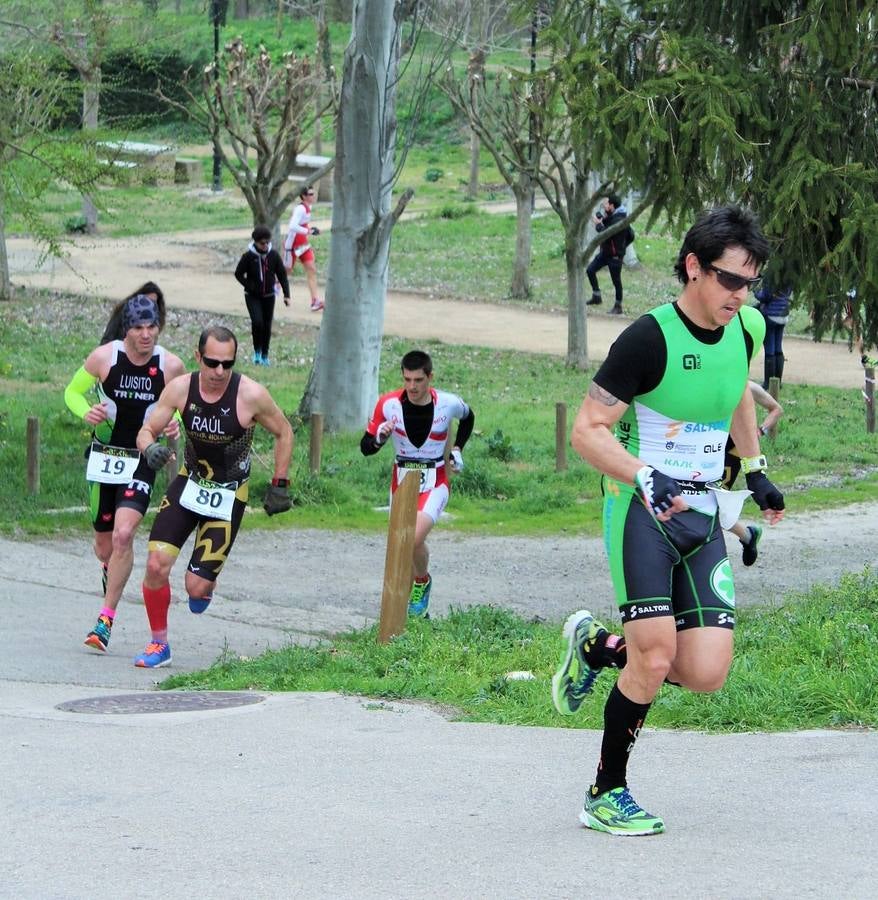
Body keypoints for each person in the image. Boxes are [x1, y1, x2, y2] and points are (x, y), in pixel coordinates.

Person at [552, 205, 785, 836]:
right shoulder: (648, 339)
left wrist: (755, 465)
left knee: (706, 671)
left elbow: (736, 387)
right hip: (641, 512)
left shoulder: (747, 330)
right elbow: (586, 431)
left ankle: (599, 647)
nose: (741, 294)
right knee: (655, 658)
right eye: (730, 280)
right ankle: (606, 792)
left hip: (704, 513)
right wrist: (641, 474)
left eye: (750, 282)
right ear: (693, 267)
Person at [132, 325, 294, 668]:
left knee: (195, 588)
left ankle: (205, 583)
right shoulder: (180, 389)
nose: (219, 371)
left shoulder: (251, 394)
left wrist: (280, 482)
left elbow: (284, 431)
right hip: (188, 482)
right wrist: (150, 449)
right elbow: (147, 430)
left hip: (228, 494)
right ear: (197, 357)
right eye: (212, 362)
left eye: (227, 363)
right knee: (155, 564)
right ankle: (159, 644)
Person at [64, 294, 187, 652]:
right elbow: (72, 392)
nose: (146, 335)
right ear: (126, 330)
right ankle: (110, 569)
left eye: (152, 327)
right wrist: (85, 411)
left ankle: (105, 620)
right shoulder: (105, 358)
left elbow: (181, 405)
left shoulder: (171, 366)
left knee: (123, 535)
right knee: (104, 546)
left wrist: (176, 424)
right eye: (138, 327)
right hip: (104, 457)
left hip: (141, 458)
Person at [360, 350, 474, 618]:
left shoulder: (447, 403)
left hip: (435, 483)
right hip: (400, 483)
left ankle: (418, 586)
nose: (412, 386)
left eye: (418, 380)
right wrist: (378, 438)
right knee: (407, 544)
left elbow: (468, 417)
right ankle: (413, 603)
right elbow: (366, 447)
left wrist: (457, 449)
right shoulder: (388, 404)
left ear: (429, 377)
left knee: (408, 539)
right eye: (407, 380)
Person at [724, 380, 784, 566]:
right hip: (709, 444)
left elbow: (777, 409)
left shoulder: (747, 385)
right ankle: (748, 535)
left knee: (712, 499)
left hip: (734, 448)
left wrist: (761, 430)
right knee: (703, 500)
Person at [234, 225, 291, 366]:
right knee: (257, 322)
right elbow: (238, 274)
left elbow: (282, 275)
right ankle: (257, 352)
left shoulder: (274, 255)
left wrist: (286, 294)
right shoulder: (248, 256)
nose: (265, 245)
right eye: (262, 243)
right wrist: (249, 285)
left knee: (267, 325)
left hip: (269, 296)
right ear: (255, 242)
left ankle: (265, 355)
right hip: (252, 296)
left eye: (267, 242)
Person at [586, 193, 634, 316]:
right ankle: (596, 296)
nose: (604, 205)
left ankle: (618, 306)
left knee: (616, 281)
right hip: (605, 253)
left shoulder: (619, 220)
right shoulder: (614, 215)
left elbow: (606, 234)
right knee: (590, 270)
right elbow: (631, 235)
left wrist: (598, 224)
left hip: (615, 257)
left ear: (612, 206)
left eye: (606, 203)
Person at [283, 184, 324, 312]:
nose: (313, 196)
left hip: (303, 244)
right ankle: (269, 289)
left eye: (313, 193)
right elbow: (292, 226)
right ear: (304, 197)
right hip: (292, 245)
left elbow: (303, 226)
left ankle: (315, 301)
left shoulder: (309, 207)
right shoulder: (300, 209)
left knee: (311, 269)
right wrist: (309, 231)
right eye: (310, 194)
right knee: (286, 272)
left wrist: (310, 230)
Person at [100, 282, 165, 344]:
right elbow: (108, 337)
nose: (148, 305)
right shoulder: (123, 310)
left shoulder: (155, 319)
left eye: (152, 303)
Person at [754, 279, 792, 387]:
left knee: (770, 349)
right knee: (778, 348)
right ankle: (777, 383)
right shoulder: (789, 276)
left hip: (771, 315)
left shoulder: (772, 276)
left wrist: (756, 292)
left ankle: (768, 383)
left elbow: (765, 296)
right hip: (783, 315)